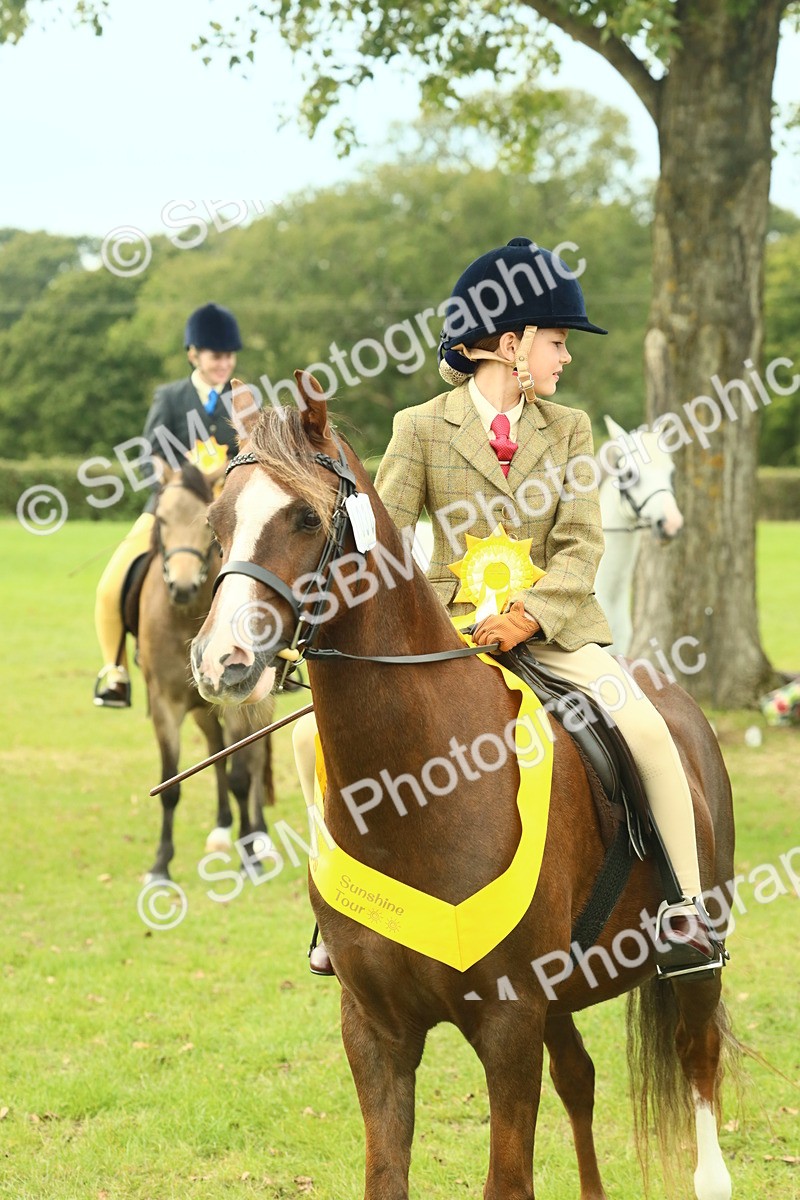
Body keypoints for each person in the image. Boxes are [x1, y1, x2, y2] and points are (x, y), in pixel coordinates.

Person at [297, 237, 725, 981]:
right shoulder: (420, 427)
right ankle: (338, 911)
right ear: (510, 343)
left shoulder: (570, 429)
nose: (566, 358)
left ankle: (686, 907)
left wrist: (529, 614)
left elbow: (584, 545)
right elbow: (385, 542)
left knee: (648, 727)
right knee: (314, 741)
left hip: (555, 635)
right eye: (558, 342)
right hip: (446, 634)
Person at [93, 302, 242, 707]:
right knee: (112, 580)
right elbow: (149, 454)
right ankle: (115, 671)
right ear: (193, 353)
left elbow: (254, 452)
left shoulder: (244, 398)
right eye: (215, 356)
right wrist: (169, 474)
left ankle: (275, 659)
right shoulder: (170, 397)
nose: (223, 364)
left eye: (229, 356)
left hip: (225, 511)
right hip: (172, 509)